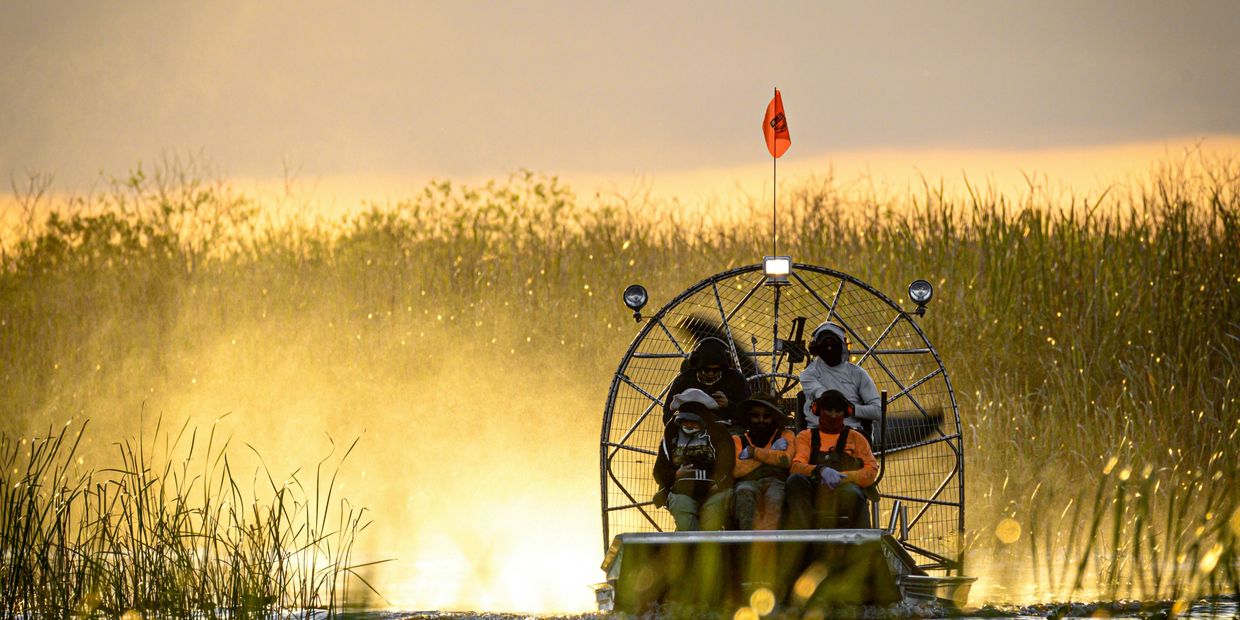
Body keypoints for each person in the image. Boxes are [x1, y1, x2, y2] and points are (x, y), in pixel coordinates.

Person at [785, 389, 878, 530]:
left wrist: (846, 477)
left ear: (846, 412)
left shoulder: (857, 438)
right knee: (795, 480)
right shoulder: (805, 436)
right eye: (828, 410)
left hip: (844, 491)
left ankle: (865, 545)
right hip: (813, 491)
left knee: (854, 494)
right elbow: (796, 467)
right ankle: (802, 538)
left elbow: (871, 470)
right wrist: (820, 470)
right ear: (817, 410)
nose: (833, 415)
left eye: (838, 411)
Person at [652, 388, 735, 531]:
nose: (689, 425)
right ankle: (690, 545)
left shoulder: (719, 433)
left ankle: (703, 547)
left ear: (704, 420)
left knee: (711, 522)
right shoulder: (671, 435)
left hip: (714, 491)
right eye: (685, 421)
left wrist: (720, 483)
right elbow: (659, 470)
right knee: (683, 513)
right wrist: (675, 475)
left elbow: (728, 464)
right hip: (681, 492)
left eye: (694, 421)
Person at [799, 321, 881, 436]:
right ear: (816, 348)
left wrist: (852, 409)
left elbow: (878, 411)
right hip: (816, 433)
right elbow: (826, 397)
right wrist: (842, 406)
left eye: (833, 343)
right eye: (825, 343)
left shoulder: (858, 374)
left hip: (851, 433)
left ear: (843, 345)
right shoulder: (808, 374)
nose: (829, 347)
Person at [731, 393, 796, 530]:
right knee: (743, 493)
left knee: (775, 498)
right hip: (747, 483)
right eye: (755, 415)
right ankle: (748, 545)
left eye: (767, 416)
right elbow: (736, 470)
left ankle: (768, 544)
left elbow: (786, 460)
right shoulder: (738, 440)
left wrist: (753, 453)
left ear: (774, 417)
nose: (761, 420)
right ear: (749, 417)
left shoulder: (786, 435)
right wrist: (772, 452)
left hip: (776, 482)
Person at [663, 337, 751, 426]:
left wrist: (728, 405)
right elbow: (668, 412)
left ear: (724, 368)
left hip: (727, 431)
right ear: (697, 366)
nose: (711, 374)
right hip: (691, 429)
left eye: (716, 370)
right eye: (706, 369)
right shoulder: (684, 380)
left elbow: (749, 413)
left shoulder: (736, 379)